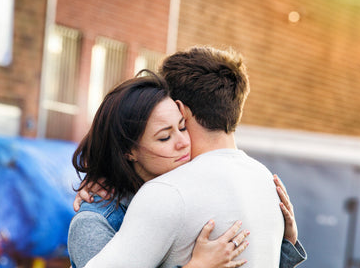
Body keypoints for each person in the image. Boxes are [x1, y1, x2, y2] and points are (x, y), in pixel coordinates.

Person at [77, 46, 306, 267]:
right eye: (165, 136)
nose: (179, 142)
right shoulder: (268, 183)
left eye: (177, 127)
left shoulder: (166, 192)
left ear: (180, 110)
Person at [68, 74, 250, 268]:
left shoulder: (192, 191)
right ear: (128, 151)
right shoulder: (93, 222)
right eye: (165, 137)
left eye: (182, 127)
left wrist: (287, 239)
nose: (183, 143)